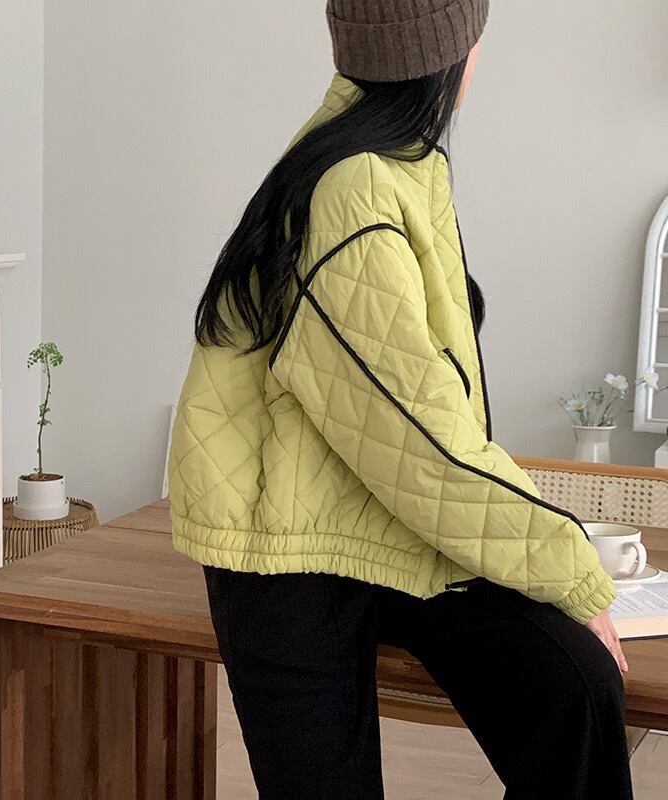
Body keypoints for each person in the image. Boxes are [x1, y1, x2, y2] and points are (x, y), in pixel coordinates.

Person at [167, 2, 634, 797]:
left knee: (573, 682)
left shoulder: (398, 162)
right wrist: (573, 572)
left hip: (385, 515)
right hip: (289, 549)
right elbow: (422, 443)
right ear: (451, 53)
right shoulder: (351, 191)